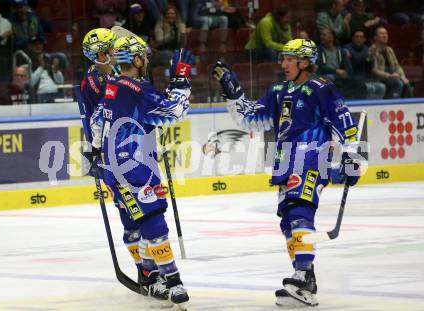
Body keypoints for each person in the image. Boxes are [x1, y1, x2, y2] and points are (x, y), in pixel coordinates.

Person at [212, 39, 362, 307]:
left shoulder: (321, 88)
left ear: (304, 62)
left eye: (289, 59)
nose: (283, 64)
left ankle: (303, 274)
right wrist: (233, 92)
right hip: (284, 162)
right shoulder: (278, 90)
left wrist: (352, 157)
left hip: (312, 158)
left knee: (299, 211)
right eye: (282, 59)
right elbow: (250, 119)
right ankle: (306, 282)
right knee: (287, 222)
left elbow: (345, 124)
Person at [97, 35, 193, 310]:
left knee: (140, 224)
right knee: (153, 222)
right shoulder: (136, 88)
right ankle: (173, 281)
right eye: (145, 57)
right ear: (137, 59)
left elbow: (96, 123)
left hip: (113, 169)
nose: (147, 61)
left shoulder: (112, 86)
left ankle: (152, 277)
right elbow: (175, 111)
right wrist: (181, 80)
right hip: (135, 167)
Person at [80, 28, 171, 303]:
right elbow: (103, 119)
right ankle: (147, 273)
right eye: (109, 51)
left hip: (132, 155)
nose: (114, 54)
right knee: (133, 218)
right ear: (97, 56)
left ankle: (153, 269)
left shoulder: (112, 77)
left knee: (143, 215)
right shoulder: (97, 82)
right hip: (115, 160)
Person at [369, 26, 413, 98]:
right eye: (381, 34)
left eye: (386, 34)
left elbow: (397, 65)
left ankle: (409, 107)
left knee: (406, 83)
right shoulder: (372, 50)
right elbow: (374, 70)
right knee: (398, 83)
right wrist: (389, 76)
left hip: (392, 77)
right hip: (379, 78)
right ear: (375, 37)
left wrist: (402, 76)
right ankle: (391, 105)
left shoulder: (389, 49)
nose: (384, 36)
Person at [344, 29, 386, 98]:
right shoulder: (346, 49)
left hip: (366, 78)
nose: (359, 39)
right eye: (357, 37)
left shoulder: (367, 50)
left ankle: (376, 106)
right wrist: (365, 58)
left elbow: (370, 67)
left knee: (382, 87)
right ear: (353, 38)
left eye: (361, 37)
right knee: (369, 88)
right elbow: (350, 67)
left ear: (364, 39)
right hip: (352, 78)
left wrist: (372, 59)